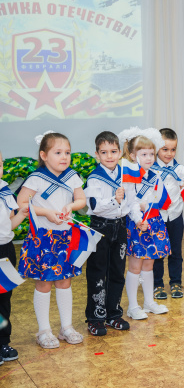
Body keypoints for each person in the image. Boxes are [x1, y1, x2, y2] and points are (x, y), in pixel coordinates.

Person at [17, 131, 86, 348]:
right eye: (58, 152)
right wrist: (46, 212)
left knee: (65, 281)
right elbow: (21, 204)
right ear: (44, 155)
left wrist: (71, 206)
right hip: (43, 238)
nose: (64, 157)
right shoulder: (36, 178)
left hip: (66, 237)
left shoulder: (72, 176)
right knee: (44, 283)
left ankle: (66, 327)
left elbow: (81, 200)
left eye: (67, 152)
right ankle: (44, 331)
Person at [119, 127, 170, 320]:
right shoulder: (129, 176)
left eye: (151, 154)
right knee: (135, 266)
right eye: (143, 154)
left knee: (149, 264)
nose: (149, 158)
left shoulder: (155, 175)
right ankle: (133, 306)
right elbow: (130, 202)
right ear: (133, 155)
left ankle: (149, 302)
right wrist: (139, 218)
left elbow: (162, 199)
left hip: (154, 223)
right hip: (138, 224)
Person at [84, 131, 130, 336]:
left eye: (113, 151)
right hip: (100, 228)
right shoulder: (94, 178)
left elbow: (131, 200)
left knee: (117, 271)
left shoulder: (126, 174)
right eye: (104, 152)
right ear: (97, 154)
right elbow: (94, 206)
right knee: (97, 273)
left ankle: (113, 313)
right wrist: (114, 200)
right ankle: (95, 317)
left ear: (120, 152)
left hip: (120, 227)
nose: (109, 156)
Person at [151, 128, 184, 300]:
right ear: (156, 148)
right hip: (157, 217)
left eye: (173, 149)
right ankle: (157, 284)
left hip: (175, 215)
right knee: (157, 252)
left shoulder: (180, 169)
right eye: (165, 149)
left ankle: (176, 282)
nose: (169, 153)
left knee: (176, 251)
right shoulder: (150, 169)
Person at [0, 149, 28, 363]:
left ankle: (3, 341)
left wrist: (23, 213)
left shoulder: (4, 191)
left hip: (5, 250)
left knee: (4, 298)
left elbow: (10, 223)